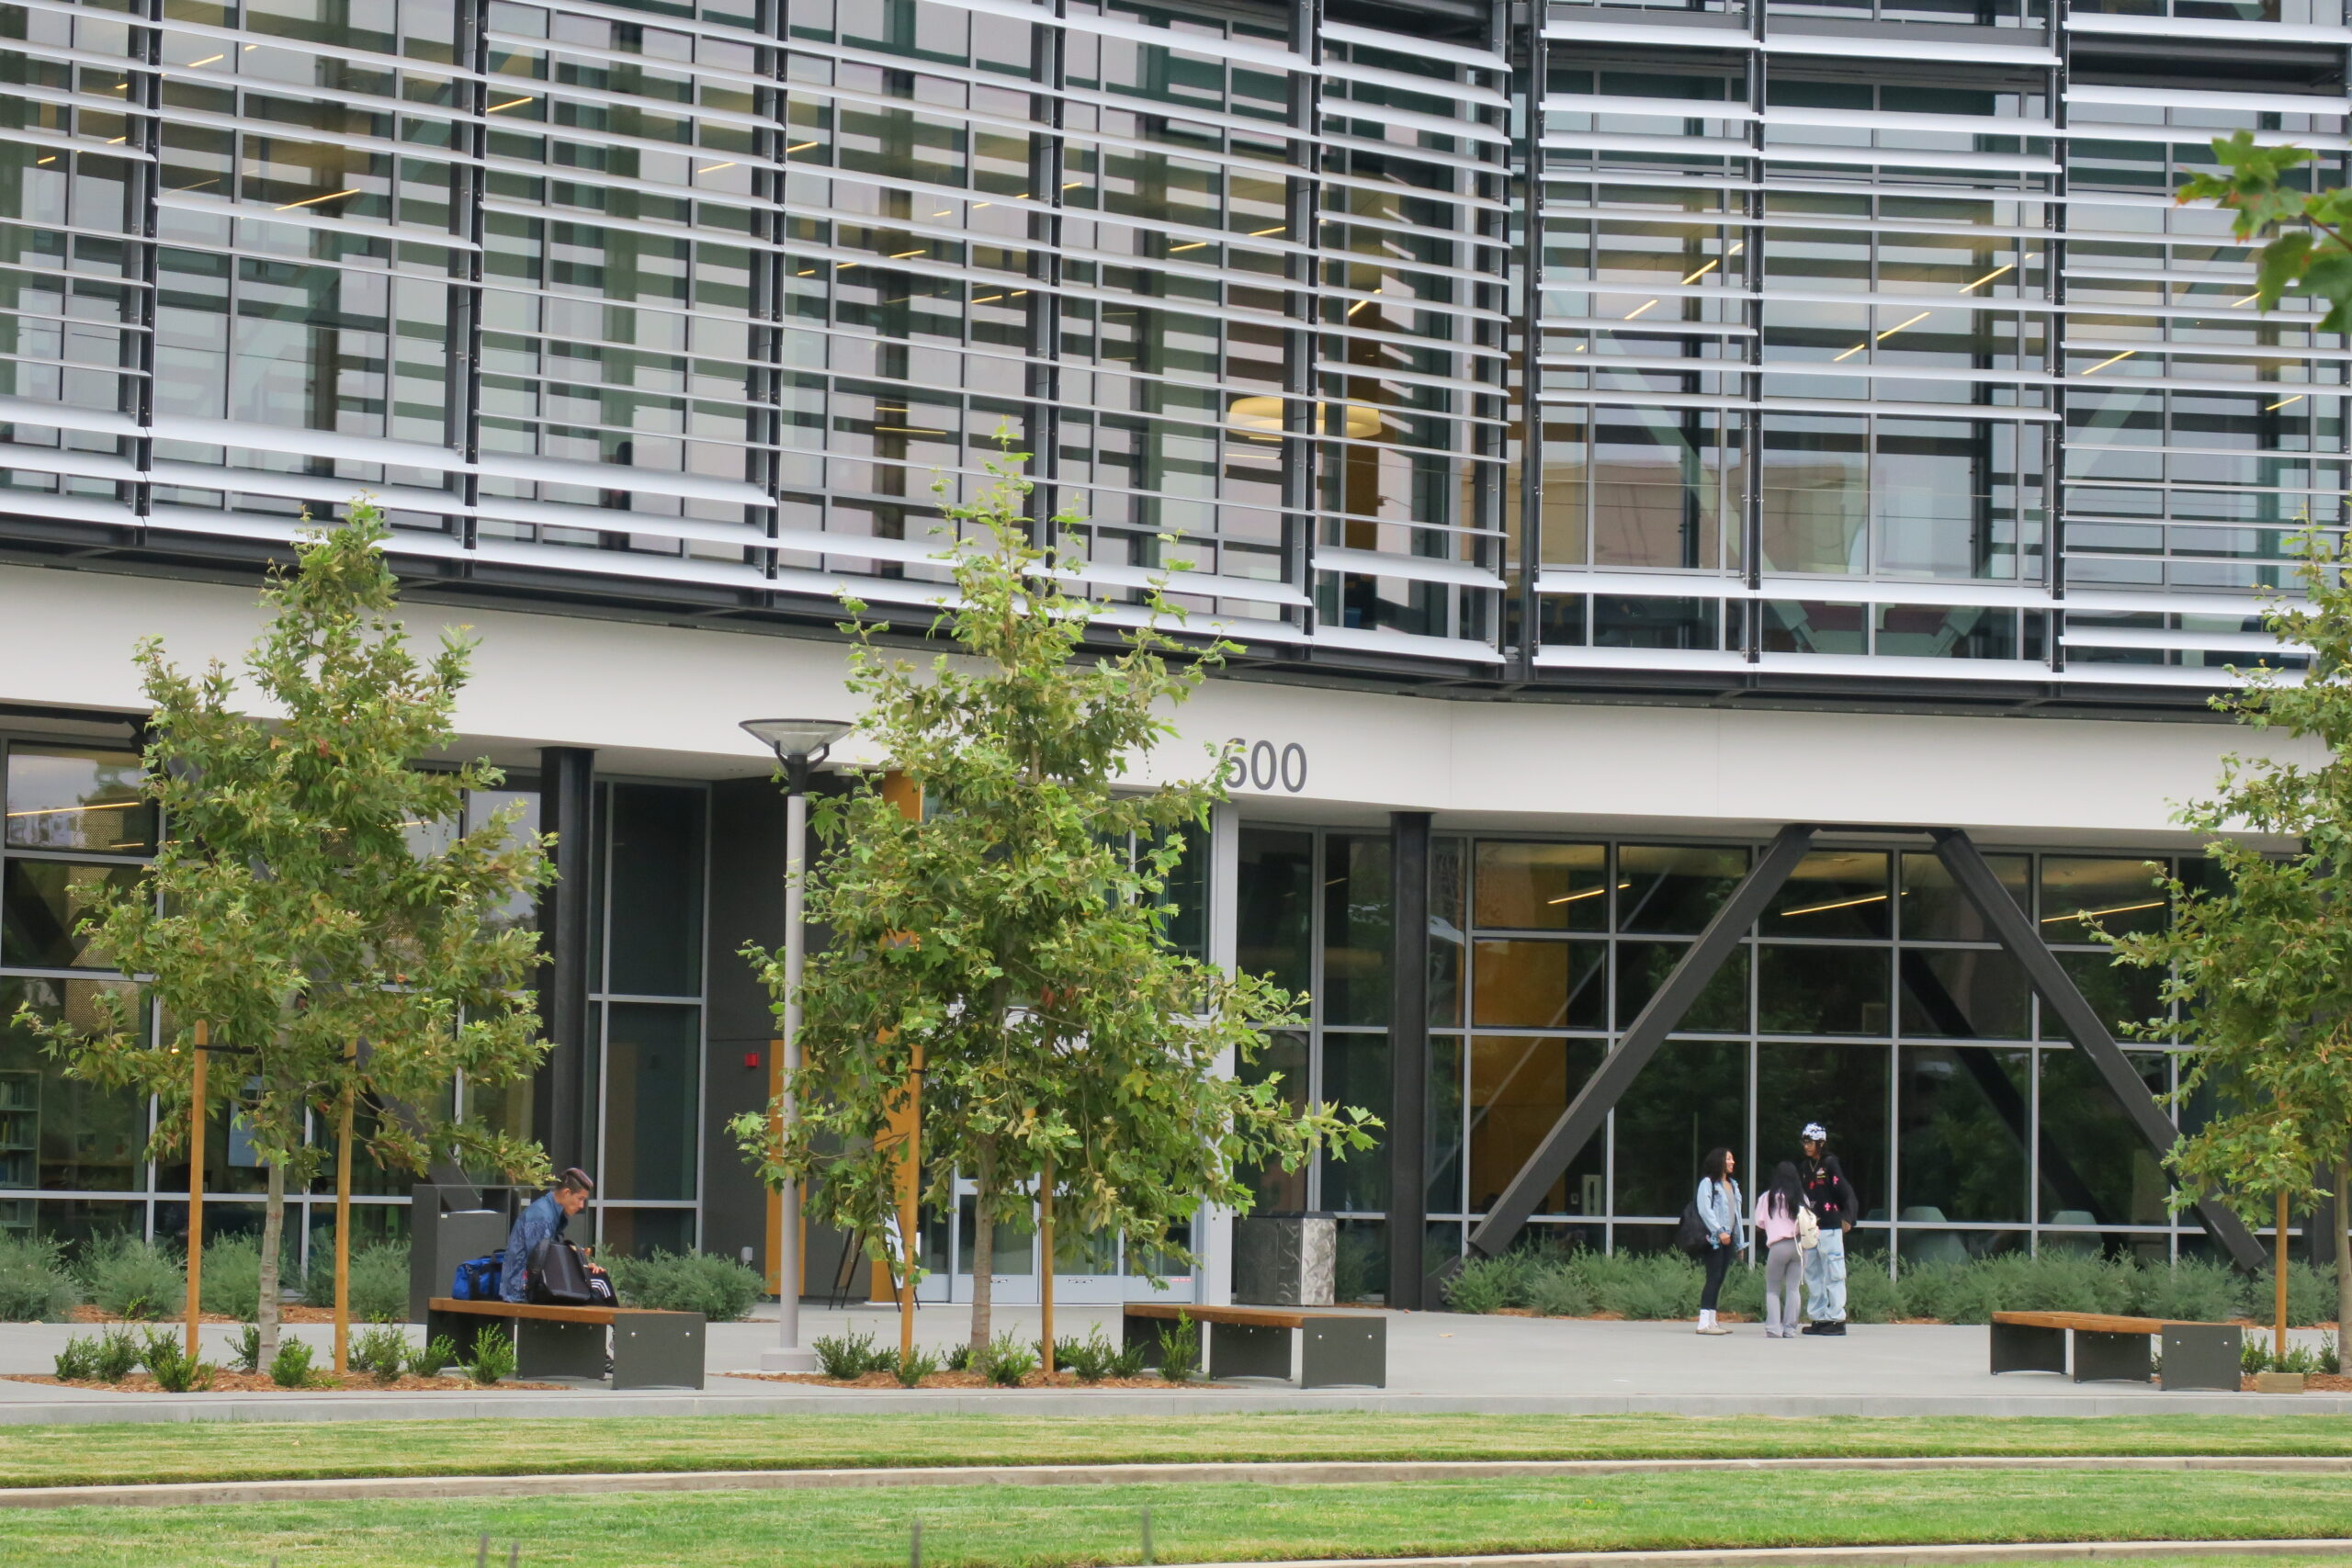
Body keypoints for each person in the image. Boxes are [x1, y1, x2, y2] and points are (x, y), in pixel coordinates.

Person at [501, 1167, 611, 1304]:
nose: (582, 1205)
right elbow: (539, 1263)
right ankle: (618, 1324)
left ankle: (614, 1323)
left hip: (537, 1284)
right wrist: (580, 1269)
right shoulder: (542, 1215)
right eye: (580, 1199)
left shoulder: (551, 1211)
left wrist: (583, 1266)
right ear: (566, 1192)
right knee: (599, 1283)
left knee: (598, 1278)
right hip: (522, 1290)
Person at [1796, 1122, 1860, 1336]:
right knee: (1813, 1271)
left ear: (1820, 1143)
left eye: (1810, 1142)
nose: (1806, 1146)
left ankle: (1837, 1318)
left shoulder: (1830, 1163)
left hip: (1831, 1225)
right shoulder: (1805, 1167)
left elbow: (1845, 1190)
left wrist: (1848, 1216)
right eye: (1804, 1141)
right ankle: (1819, 1317)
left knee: (1833, 1271)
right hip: (1812, 1227)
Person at [1691, 1146, 1746, 1336]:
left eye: (1732, 1159)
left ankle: (1713, 1321)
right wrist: (1720, 1231)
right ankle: (1703, 1322)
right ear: (1719, 1161)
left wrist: (1739, 1243)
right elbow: (1705, 1210)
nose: (1732, 1162)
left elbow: (1737, 1215)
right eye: (1728, 1159)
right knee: (1713, 1277)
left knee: (1720, 1278)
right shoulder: (1708, 1183)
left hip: (1729, 1239)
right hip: (1714, 1239)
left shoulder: (1734, 1185)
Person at [1753, 1160, 1806, 1338]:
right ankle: (1790, 1329)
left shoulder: (1767, 1197)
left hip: (1778, 1245)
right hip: (1798, 1246)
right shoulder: (1801, 1198)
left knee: (1772, 1289)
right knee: (1793, 1289)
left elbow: (1759, 1222)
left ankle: (1774, 1328)